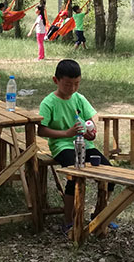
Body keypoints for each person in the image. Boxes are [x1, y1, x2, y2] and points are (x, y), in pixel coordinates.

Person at [38, 59, 114, 233]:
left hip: (84, 143)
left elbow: (91, 117)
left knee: (108, 173)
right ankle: (69, 220)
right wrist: (66, 133)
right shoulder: (48, 102)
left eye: (76, 84)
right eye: (67, 84)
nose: (72, 88)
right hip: (62, 145)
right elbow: (41, 130)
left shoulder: (79, 98)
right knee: (74, 176)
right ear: (55, 80)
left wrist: (91, 129)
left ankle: (100, 215)